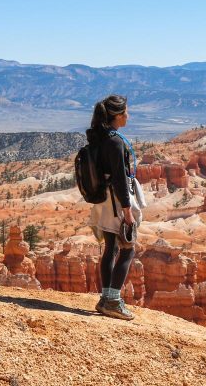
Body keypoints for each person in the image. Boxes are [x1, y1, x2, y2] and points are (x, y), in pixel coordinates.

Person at [85, 94, 142, 320]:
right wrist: (128, 212)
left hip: (102, 199)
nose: (128, 115)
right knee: (129, 248)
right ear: (118, 115)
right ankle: (114, 301)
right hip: (116, 201)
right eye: (126, 112)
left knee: (111, 247)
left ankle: (105, 298)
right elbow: (120, 178)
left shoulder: (97, 136)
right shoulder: (115, 142)